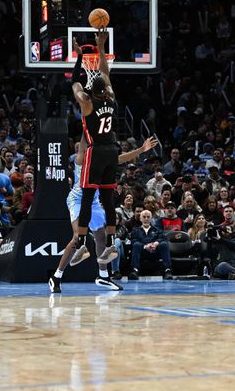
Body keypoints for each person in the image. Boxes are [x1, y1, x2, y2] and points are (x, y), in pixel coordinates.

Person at [49, 135, 157, 293]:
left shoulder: (106, 160)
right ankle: (56, 277)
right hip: (78, 200)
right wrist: (88, 123)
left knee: (101, 236)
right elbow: (82, 146)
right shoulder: (82, 159)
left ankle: (103, 276)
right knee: (77, 237)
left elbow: (122, 158)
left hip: (93, 202)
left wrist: (141, 149)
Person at [69, 32, 120, 266]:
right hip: (112, 150)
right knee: (108, 198)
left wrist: (79, 58)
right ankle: (110, 243)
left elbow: (75, 82)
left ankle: (81, 246)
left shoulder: (87, 103)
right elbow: (104, 72)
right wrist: (100, 46)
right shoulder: (111, 98)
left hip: (96, 151)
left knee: (88, 198)